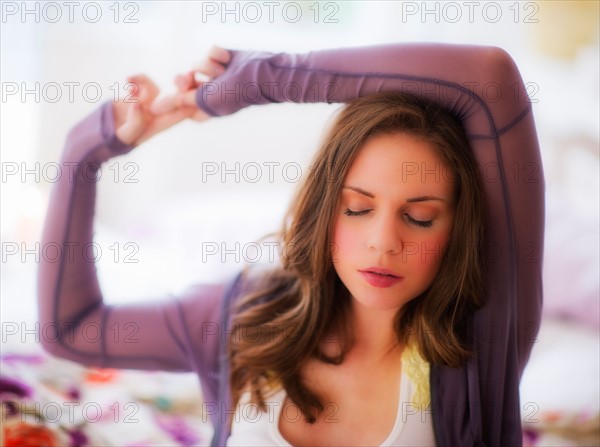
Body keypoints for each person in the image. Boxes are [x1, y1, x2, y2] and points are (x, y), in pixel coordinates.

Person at [38, 43, 544, 446]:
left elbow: (488, 77)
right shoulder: (247, 315)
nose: (383, 242)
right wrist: (83, 155)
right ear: (324, 207)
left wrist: (265, 79)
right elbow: (72, 330)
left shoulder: (482, 344)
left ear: (456, 228)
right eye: (357, 208)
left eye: (419, 217)